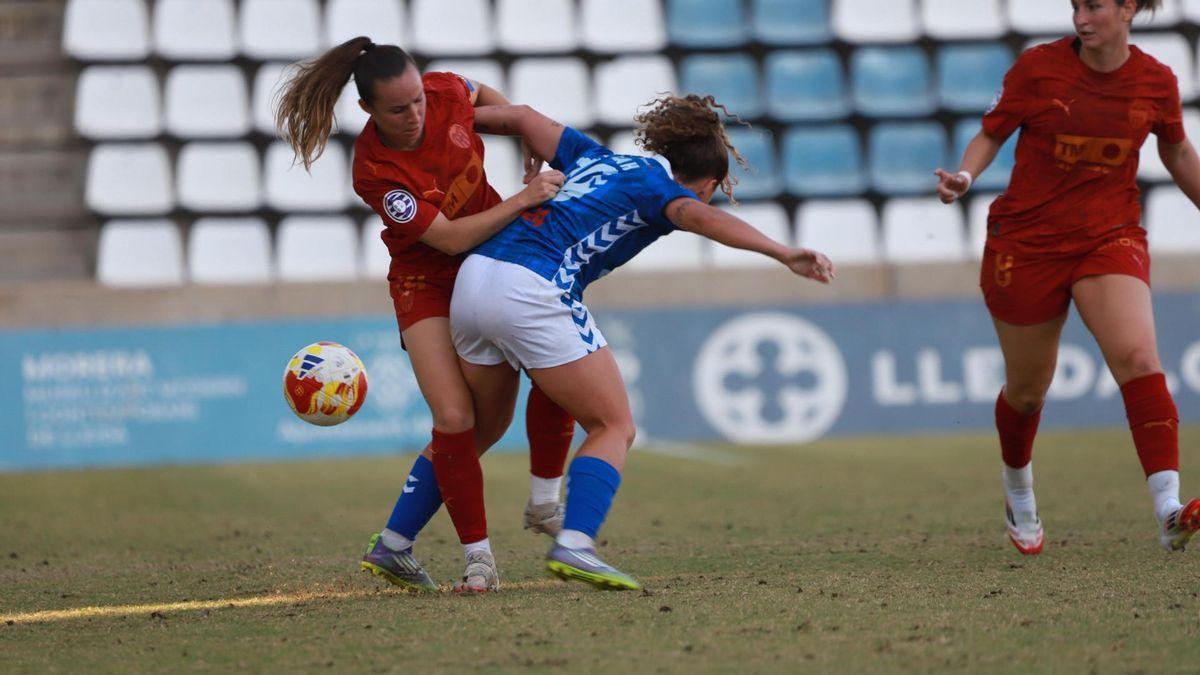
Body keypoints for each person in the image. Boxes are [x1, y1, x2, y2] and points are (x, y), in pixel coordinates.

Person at [446, 95, 834, 589]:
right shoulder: (658, 187)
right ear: (710, 184)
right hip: (533, 286)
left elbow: (521, 116)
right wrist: (782, 253)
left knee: (468, 427)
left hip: (474, 276)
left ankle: (406, 536)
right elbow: (699, 218)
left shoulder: (598, 157)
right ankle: (575, 541)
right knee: (614, 425)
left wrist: (435, 125)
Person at [274, 37, 578, 593]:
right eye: (398, 108)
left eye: (417, 100)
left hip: (494, 260)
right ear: (368, 111)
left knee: (498, 419)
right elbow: (448, 238)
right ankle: (479, 561)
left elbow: (482, 94)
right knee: (455, 419)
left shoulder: (441, 89)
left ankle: (396, 543)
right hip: (426, 281)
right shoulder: (375, 169)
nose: (415, 113)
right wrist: (523, 197)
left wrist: (519, 137)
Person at [934, 0, 1199, 555]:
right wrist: (964, 175)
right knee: (1028, 392)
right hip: (1027, 243)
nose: (1081, 16)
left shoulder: (1156, 81)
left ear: (1128, 8)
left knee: (1140, 359)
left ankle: (1169, 509)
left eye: (1094, 5)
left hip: (1109, 235)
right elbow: (991, 133)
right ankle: (1017, 485)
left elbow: (1175, 149)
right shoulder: (1038, 69)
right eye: (1075, 4)